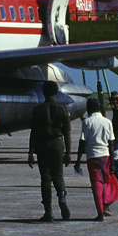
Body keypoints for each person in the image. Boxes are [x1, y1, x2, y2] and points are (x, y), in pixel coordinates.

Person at [28, 81, 72, 222]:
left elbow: (33, 133)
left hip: (42, 145)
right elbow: (67, 133)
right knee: (58, 176)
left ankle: (49, 212)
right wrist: (68, 153)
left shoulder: (38, 110)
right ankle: (62, 198)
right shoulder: (62, 109)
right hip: (57, 144)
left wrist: (30, 153)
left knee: (45, 179)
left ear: (43, 92)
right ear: (56, 92)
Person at [77, 96, 116, 221]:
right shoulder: (107, 122)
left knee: (96, 185)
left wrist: (78, 160)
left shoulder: (86, 122)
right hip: (105, 156)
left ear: (88, 108)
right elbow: (111, 143)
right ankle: (105, 207)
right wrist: (113, 163)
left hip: (92, 156)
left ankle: (100, 213)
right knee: (105, 183)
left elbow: (82, 142)